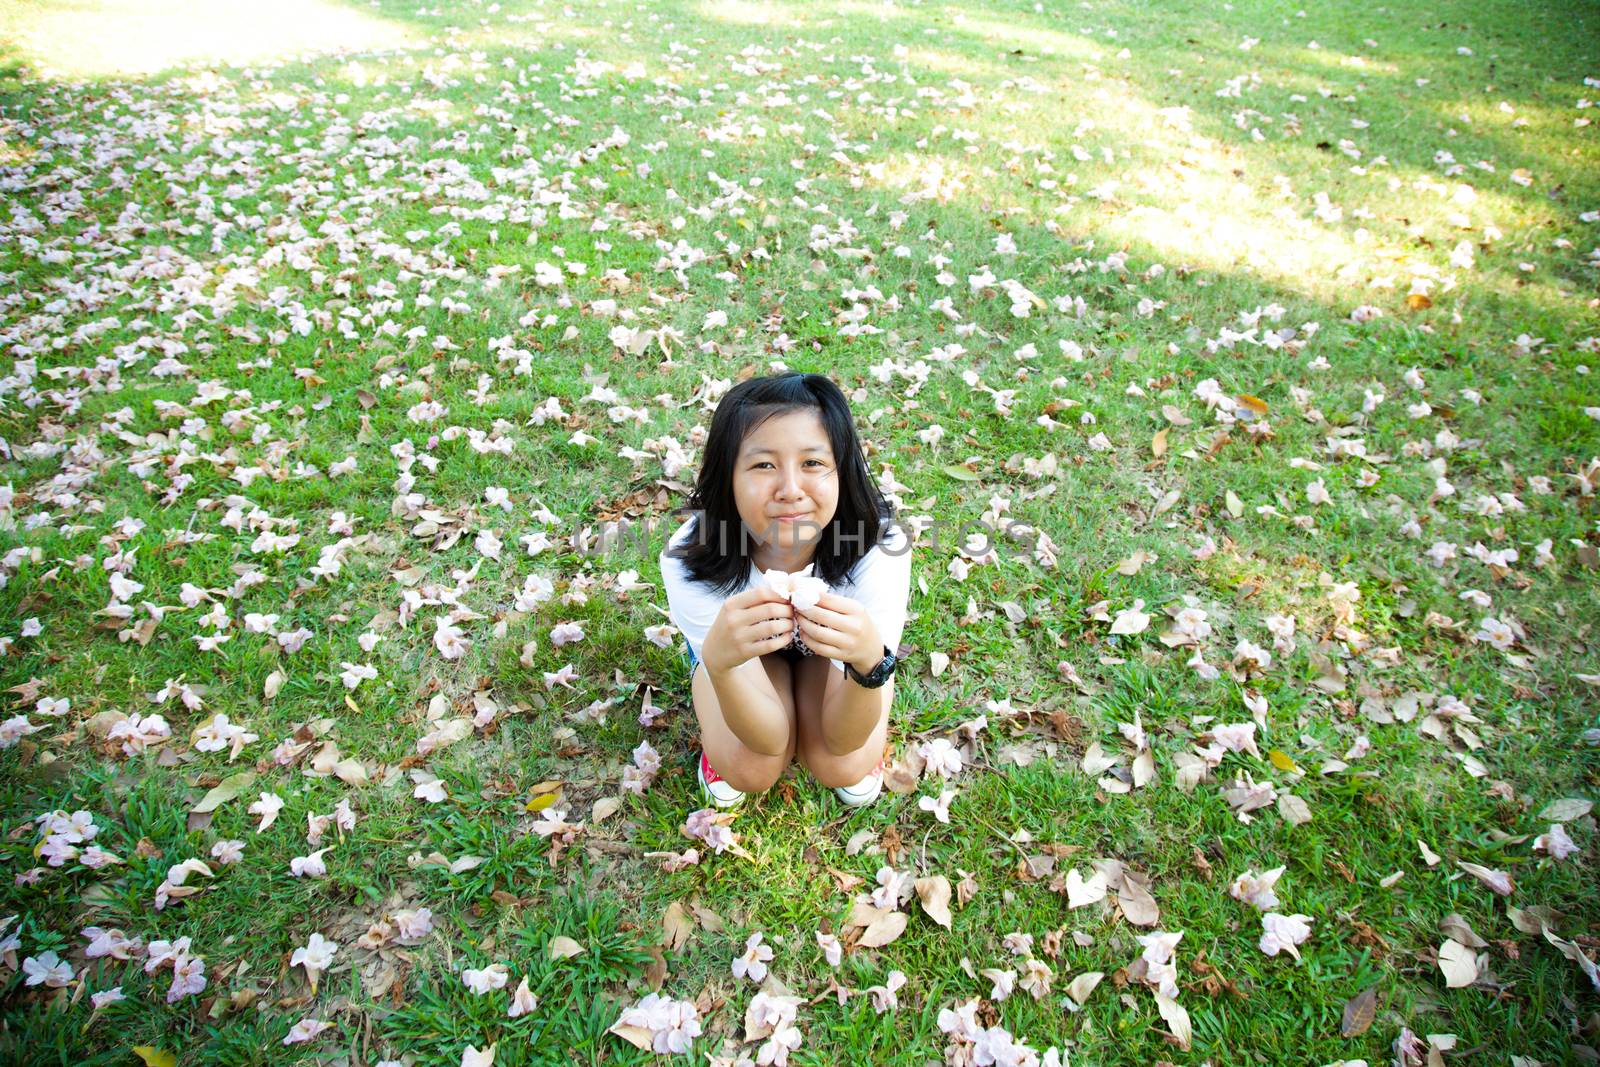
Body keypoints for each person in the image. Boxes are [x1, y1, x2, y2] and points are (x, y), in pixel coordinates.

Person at [659, 372, 911, 809]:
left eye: (812, 463)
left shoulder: (878, 550)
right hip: (744, 659)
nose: (790, 491)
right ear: (728, 477)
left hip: (833, 659)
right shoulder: (691, 560)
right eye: (763, 465)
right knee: (751, 766)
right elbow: (770, 736)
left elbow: (843, 735)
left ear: (842, 471)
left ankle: (854, 696)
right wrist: (719, 664)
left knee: (843, 761)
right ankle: (720, 742)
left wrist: (869, 660)